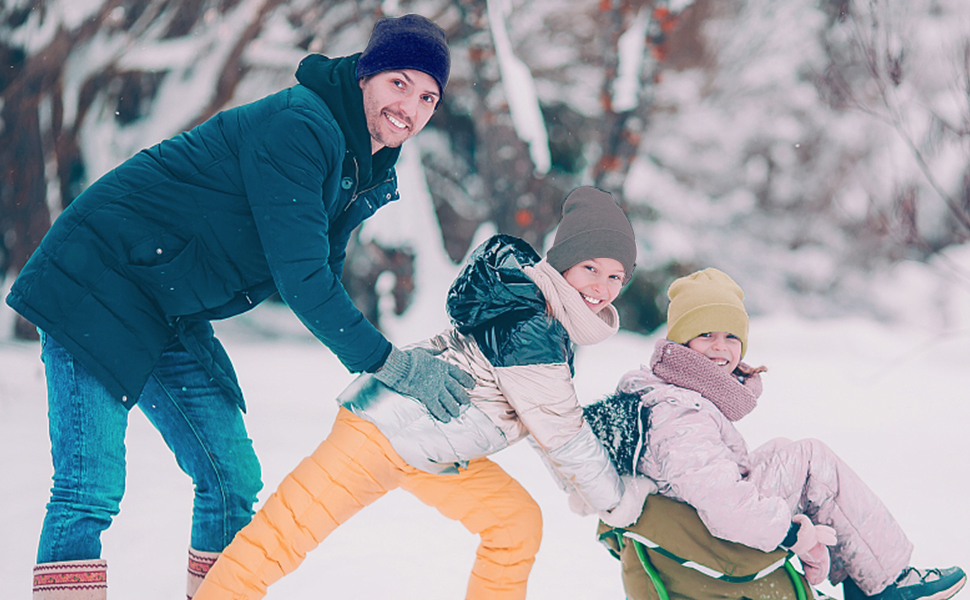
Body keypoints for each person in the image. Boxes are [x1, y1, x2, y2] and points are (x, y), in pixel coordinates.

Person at [8, 14, 478, 600]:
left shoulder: (362, 161)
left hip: (166, 301)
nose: (411, 105)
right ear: (365, 76)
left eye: (429, 95)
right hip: (98, 277)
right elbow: (302, 279)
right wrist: (393, 366)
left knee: (231, 475)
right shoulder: (302, 127)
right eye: (399, 83)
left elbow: (323, 273)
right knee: (89, 487)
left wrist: (378, 380)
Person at [191, 186, 647, 600]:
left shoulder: (545, 318)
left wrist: (580, 486)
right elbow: (562, 430)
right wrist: (616, 501)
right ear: (563, 261)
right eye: (591, 268)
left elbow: (542, 420)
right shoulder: (532, 322)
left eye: (615, 277)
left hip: (434, 449)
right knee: (280, 540)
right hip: (380, 434)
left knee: (514, 523)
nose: (601, 288)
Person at [596, 268, 965, 600]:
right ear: (680, 342)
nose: (719, 348)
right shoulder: (680, 414)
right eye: (704, 334)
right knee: (812, 462)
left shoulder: (679, 397)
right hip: (707, 530)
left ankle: (865, 577)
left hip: (697, 513)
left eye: (730, 336)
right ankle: (885, 584)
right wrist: (791, 534)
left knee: (788, 453)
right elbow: (724, 505)